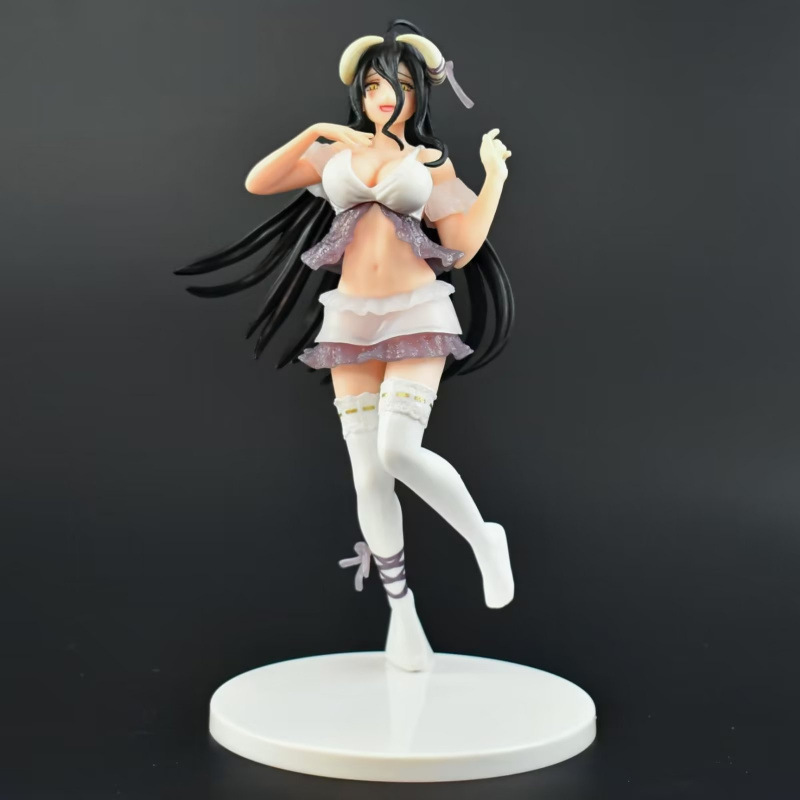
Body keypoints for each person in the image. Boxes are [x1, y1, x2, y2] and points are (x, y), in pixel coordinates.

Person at [175, 19, 516, 673]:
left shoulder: (429, 162)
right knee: (367, 475)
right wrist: (316, 132)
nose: (386, 97)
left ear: (420, 94)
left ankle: (483, 537)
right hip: (351, 320)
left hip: (415, 311)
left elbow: (462, 246)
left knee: (397, 449)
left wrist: (494, 176)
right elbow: (258, 181)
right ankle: (403, 616)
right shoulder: (333, 156)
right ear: (359, 91)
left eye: (401, 85)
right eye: (374, 86)